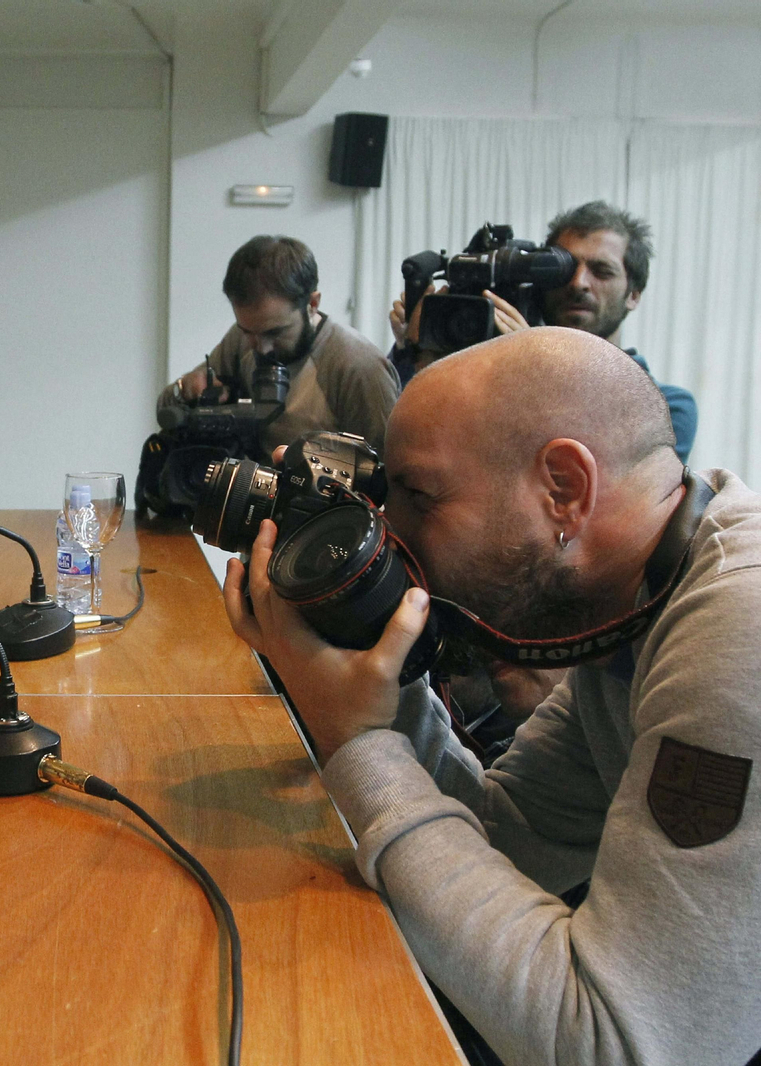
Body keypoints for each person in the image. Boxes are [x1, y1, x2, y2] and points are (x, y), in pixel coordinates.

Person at [225, 327, 761, 1064]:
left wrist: (359, 744)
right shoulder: (634, 605)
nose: (389, 532)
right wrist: (370, 672)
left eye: (418, 496)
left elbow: (622, 1047)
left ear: (563, 490)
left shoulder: (740, 631)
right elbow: (507, 838)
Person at [390, 202, 697, 464]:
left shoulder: (668, 407)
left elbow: (598, 486)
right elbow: (401, 443)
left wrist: (536, 371)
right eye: (562, 268)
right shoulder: (485, 368)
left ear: (634, 294)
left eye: (602, 271)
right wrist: (414, 354)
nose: (578, 283)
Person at [159, 235, 399, 462]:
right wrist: (184, 389)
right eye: (247, 331)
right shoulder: (241, 340)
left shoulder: (358, 367)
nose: (261, 348)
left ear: (313, 304)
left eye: (275, 333)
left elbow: (388, 473)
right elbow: (164, 411)